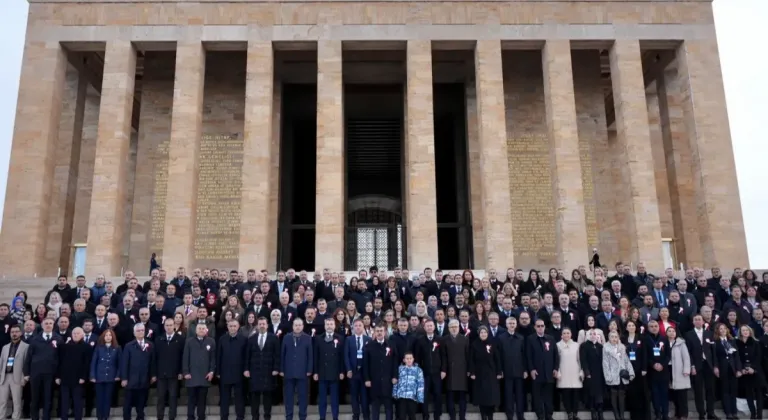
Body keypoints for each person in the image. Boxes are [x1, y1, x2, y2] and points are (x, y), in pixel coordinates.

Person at [24, 318, 62, 420]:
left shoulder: (58, 339)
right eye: (46, 323)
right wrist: (26, 373)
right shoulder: (35, 339)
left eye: (50, 323)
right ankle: (34, 417)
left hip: (50, 374)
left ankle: (46, 417)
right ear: (42, 325)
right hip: (35, 373)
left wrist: (58, 375)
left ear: (54, 325)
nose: (48, 325)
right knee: (35, 397)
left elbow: (60, 358)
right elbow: (29, 357)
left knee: (48, 397)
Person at [245, 317, 280, 420]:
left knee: (267, 396)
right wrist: (246, 369)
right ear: (257, 325)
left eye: (263, 324)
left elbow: (277, 355)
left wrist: (276, 368)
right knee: (254, 396)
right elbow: (247, 355)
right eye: (260, 324)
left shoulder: (274, 338)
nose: (262, 326)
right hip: (254, 371)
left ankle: (267, 417)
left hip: (269, 371)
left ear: (267, 325)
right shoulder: (251, 339)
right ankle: (255, 417)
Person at [120, 323, 157, 420]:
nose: (140, 332)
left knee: (141, 404)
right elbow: (124, 363)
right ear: (134, 333)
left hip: (144, 379)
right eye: (138, 331)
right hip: (131, 380)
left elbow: (153, 362)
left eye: (142, 330)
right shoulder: (129, 346)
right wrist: (124, 378)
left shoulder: (150, 345)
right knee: (127, 404)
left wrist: (153, 375)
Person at [684, 314, 716, 420]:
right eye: (696, 319)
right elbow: (688, 352)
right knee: (698, 391)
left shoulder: (709, 334)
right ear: (693, 322)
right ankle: (701, 413)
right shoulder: (688, 334)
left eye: (699, 319)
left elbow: (713, 351)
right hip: (696, 366)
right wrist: (692, 366)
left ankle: (711, 412)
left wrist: (715, 366)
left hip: (708, 365)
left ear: (703, 322)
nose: (698, 321)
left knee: (710, 390)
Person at [412, 319, 445, 420]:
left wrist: (443, 370)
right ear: (425, 328)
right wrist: (419, 371)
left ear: (434, 327)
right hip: (424, 373)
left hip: (437, 373)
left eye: (431, 326)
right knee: (424, 395)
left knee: (438, 394)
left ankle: (437, 415)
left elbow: (444, 356)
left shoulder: (440, 339)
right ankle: (425, 415)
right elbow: (417, 357)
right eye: (427, 326)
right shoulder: (420, 340)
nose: (429, 327)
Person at [364, 324, 399, 420]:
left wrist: (395, 376)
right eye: (377, 331)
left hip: (388, 381)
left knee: (389, 408)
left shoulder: (391, 344)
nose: (379, 333)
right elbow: (365, 364)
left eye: (381, 331)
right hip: (374, 381)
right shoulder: (369, 345)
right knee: (375, 408)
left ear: (385, 332)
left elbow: (395, 362)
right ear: (374, 333)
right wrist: (367, 379)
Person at [182, 323, 216, 420]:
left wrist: (211, 371)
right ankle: (190, 417)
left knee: (202, 400)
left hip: (205, 375)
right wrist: (185, 372)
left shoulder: (211, 341)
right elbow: (185, 358)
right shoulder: (189, 341)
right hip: (191, 375)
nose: (201, 330)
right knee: (191, 399)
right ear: (196, 331)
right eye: (199, 328)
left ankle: (201, 417)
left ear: (206, 330)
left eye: (203, 328)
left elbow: (213, 359)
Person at [527, 319, 559, 420]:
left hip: (549, 372)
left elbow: (556, 355)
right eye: (538, 326)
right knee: (537, 396)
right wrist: (531, 369)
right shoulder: (530, 339)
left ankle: (549, 415)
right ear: (535, 327)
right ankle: (540, 415)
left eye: (542, 326)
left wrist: (555, 368)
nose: (540, 328)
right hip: (537, 372)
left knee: (549, 395)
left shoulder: (550, 338)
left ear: (545, 327)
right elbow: (528, 356)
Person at [281, 318, 313, 420]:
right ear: (292, 326)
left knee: (303, 396)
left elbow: (310, 355)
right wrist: (281, 370)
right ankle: (289, 416)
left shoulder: (308, 338)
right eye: (296, 325)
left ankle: (302, 416)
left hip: (303, 372)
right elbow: (283, 354)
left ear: (303, 326)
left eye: (300, 325)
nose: (298, 327)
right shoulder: (286, 337)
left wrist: (309, 369)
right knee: (288, 397)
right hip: (288, 372)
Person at [314, 318, 345, 420]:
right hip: (322, 373)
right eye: (327, 324)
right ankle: (322, 417)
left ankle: (335, 417)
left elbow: (342, 357)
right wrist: (315, 372)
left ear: (334, 326)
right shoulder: (318, 338)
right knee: (322, 399)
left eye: (331, 324)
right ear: (324, 326)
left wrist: (341, 371)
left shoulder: (340, 338)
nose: (329, 326)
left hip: (335, 373)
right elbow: (316, 357)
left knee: (334, 399)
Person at [468, 326, 502, 420]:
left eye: (485, 332)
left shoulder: (493, 343)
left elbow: (497, 358)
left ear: (488, 334)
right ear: (479, 334)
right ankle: (483, 415)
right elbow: (471, 359)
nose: (483, 334)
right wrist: (472, 372)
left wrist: (499, 371)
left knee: (491, 396)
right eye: (481, 333)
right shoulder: (474, 344)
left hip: (491, 373)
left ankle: (490, 415)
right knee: (481, 396)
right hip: (479, 374)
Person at [56, 327, 90, 420]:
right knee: (64, 400)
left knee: (77, 401)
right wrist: (58, 376)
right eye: (74, 333)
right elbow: (59, 362)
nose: (75, 335)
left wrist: (83, 377)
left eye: (78, 333)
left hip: (78, 379)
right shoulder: (64, 346)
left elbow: (86, 363)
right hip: (65, 378)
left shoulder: (86, 347)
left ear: (82, 335)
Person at [217, 319, 247, 420]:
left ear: (238, 327)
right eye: (230, 326)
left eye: (234, 326)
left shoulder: (243, 339)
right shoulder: (222, 339)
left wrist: (245, 370)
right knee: (225, 398)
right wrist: (218, 372)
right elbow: (219, 356)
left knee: (239, 397)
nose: (232, 328)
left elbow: (246, 357)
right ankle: (224, 417)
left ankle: (240, 416)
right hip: (225, 373)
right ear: (227, 327)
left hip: (239, 373)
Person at [156, 318, 185, 420]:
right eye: (167, 325)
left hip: (174, 374)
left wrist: (181, 371)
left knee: (173, 397)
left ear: (174, 326)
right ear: (164, 327)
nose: (169, 327)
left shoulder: (180, 339)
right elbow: (155, 358)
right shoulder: (159, 339)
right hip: (161, 375)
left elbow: (183, 357)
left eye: (170, 325)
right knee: (161, 398)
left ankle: (172, 417)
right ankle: (160, 417)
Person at [90, 330, 121, 420]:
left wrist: (118, 375)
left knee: (107, 398)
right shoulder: (99, 348)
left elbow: (120, 363)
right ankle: (99, 416)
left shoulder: (117, 348)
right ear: (103, 337)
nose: (108, 337)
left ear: (113, 337)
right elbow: (94, 363)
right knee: (99, 398)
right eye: (106, 335)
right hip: (99, 377)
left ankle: (105, 416)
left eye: (110, 335)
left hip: (111, 377)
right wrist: (92, 376)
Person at [500, 317, 527, 420]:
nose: (511, 325)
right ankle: (509, 415)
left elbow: (524, 355)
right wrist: (500, 370)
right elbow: (499, 356)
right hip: (506, 372)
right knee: (508, 395)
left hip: (519, 371)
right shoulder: (501, 338)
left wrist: (525, 370)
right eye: (509, 323)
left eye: (513, 323)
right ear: (506, 325)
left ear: (516, 325)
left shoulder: (520, 338)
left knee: (520, 395)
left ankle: (520, 415)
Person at [603, 331, 633, 420]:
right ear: (609, 338)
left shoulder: (622, 347)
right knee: (613, 395)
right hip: (612, 375)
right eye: (612, 337)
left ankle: (622, 416)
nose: (614, 339)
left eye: (616, 337)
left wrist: (631, 373)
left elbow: (627, 360)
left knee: (621, 396)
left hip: (622, 375)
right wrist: (608, 376)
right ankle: (616, 416)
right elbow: (605, 363)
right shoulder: (606, 348)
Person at [344, 319, 371, 420]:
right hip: (353, 372)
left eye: (360, 325)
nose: (358, 327)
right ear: (353, 328)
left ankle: (366, 416)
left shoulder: (368, 339)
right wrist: (348, 370)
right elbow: (346, 356)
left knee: (364, 396)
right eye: (356, 326)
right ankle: (355, 415)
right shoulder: (349, 339)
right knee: (354, 396)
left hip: (364, 373)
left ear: (363, 327)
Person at [714, 323, 742, 420]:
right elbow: (715, 356)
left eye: (724, 328)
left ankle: (734, 412)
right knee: (725, 391)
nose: (722, 330)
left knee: (733, 391)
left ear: (727, 330)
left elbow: (737, 356)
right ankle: (728, 412)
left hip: (733, 369)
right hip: (723, 369)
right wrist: (716, 367)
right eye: (720, 329)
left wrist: (738, 369)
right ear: (718, 331)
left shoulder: (732, 341)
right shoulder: (716, 342)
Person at [736, 325, 764, 419]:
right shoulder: (737, 343)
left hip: (755, 372)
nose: (745, 332)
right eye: (743, 330)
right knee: (749, 394)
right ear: (740, 332)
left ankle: (759, 414)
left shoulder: (756, 343)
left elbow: (758, 357)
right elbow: (737, 358)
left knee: (758, 393)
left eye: (747, 330)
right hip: (744, 372)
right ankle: (752, 414)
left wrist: (753, 368)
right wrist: (742, 369)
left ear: (750, 331)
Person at [0, 325, 28, 420]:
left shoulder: (26, 347)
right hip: (4, 377)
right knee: (2, 401)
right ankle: (1, 417)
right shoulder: (5, 347)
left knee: (17, 401)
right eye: (12, 332)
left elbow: (26, 363)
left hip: (17, 376)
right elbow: (1, 362)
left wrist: (24, 377)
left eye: (16, 332)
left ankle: (16, 417)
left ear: (20, 333)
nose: (14, 334)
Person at [443, 320, 469, 420]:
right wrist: (444, 370)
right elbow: (444, 356)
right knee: (450, 396)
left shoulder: (465, 339)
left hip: (462, 370)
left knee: (462, 396)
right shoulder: (444, 339)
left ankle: (462, 416)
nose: (454, 328)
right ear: (449, 328)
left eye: (456, 326)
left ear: (459, 327)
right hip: (450, 371)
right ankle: (452, 416)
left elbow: (468, 355)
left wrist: (469, 370)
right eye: (452, 327)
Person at [644, 320, 670, 420]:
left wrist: (662, 365)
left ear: (659, 327)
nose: (654, 328)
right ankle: (657, 414)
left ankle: (665, 414)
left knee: (664, 393)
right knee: (655, 394)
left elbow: (668, 355)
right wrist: (653, 364)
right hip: (652, 371)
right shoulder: (646, 339)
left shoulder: (664, 338)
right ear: (648, 328)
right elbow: (645, 356)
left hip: (664, 371)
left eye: (656, 326)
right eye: (651, 326)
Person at [556, 327, 582, 420]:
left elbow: (580, 360)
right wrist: (557, 371)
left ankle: (575, 413)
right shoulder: (557, 345)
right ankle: (569, 413)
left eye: (568, 333)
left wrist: (581, 371)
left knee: (575, 394)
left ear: (571, 334)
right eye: (564, 333)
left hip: (575, 371)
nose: (566, 335)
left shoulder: (577, 345)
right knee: (566, 394)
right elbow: (556, 360)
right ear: (561, 335)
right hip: (563, 371)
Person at [580, 329, 604, 420]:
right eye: (591, 334)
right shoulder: (584, 346)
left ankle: (600, 411)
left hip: (599, 372)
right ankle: (593, 410)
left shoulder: (600, 346)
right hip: (590, 372)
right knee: (591, 392)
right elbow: (583, 360)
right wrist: (586, 372)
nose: (593, 335)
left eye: (595, 334)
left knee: (599, 392)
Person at [392, 352, 424, 420]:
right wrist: (394, 393)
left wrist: (420, 397)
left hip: (412, 397)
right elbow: (396, 382)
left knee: (412, 416)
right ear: (404, 360)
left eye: (410, 358)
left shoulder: (418, 370)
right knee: (401, 416)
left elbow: (420, 384)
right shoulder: (400, 369)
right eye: (407, 358)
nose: (409, 360)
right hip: (401, 396)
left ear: (413, 359)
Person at [667, 326, 690, 420]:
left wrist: (686, 370)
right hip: (668, 370)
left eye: (673, 331)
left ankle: (684, 414)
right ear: (666, 333)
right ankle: (677, 413)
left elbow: (686, 358)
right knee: (674, 394)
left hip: (679, 370)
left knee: (682, 395)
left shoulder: (681, 343)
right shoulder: (663, 343)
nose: (672, 333)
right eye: (669, 331)